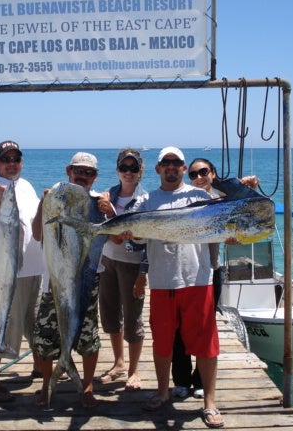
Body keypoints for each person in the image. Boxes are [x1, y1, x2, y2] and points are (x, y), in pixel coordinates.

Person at [121, 146, 225, 428]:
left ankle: (210, 403)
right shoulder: (146, 200)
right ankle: (163, 391)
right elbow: (136, 240)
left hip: (198, 279)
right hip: (163, 280)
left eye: (176, 163)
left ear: (182, 168)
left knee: (205, 343)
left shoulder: (201, 196)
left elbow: (220, 227)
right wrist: (130, 233)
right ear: (157, 169)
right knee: (163, 341)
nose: (171, 167)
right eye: (165, 163)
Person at [171, 158, 260, 401]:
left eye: (203, 172)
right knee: (178, 327)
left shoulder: (223, 198)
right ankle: (180, 379)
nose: (198, 177)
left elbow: (249, 207)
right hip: (182, 270)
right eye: (193, 174)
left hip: (211, 271)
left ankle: (200, 380)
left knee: (205, 326)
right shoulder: (186, 197)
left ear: (213, 173)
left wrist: (249, 186)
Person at [31, 151, 110, 408]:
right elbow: (36, 234)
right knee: (43, 339)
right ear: (68, 171)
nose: (83, 176)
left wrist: (110, 213)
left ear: (95, 177)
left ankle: (86, 387)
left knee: (88, 338)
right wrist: (44, 205)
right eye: (79, 171)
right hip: (52, 282)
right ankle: (47, 385)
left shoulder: (99, 203)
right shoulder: (54, 198)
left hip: (86, 283)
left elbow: (118, 238)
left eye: (89, 173)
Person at [0, 140, 45, 403]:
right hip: (2, 273)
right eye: (6, 159)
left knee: (35, 322)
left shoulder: (25, 185)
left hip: (33, 270)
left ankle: (39, 366)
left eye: (16, 159)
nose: (12, 163)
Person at [95, 148, 147, 391]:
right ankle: (119, 362)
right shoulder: (108, 194)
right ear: (117, 170)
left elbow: (139, 239)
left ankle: (134, 370)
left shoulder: (146, 200)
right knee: (110, 314)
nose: (128, 172)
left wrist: (142, 275)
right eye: (124, 168)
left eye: (133, 168)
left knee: (133, 317)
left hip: (132, 263)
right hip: (107, 261)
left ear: (140, 171)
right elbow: (103, 231)